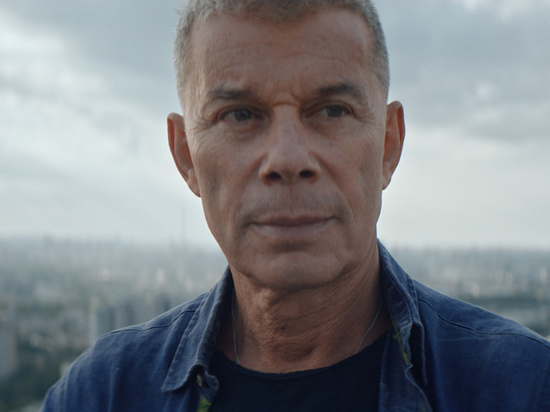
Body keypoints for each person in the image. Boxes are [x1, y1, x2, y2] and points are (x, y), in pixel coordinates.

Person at [41, 0, 550, 411]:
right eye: (240, 115)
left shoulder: (524, 388)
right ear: (186, 156)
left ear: (388, 146)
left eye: (332, 110)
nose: (287, 159)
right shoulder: (104, 394)